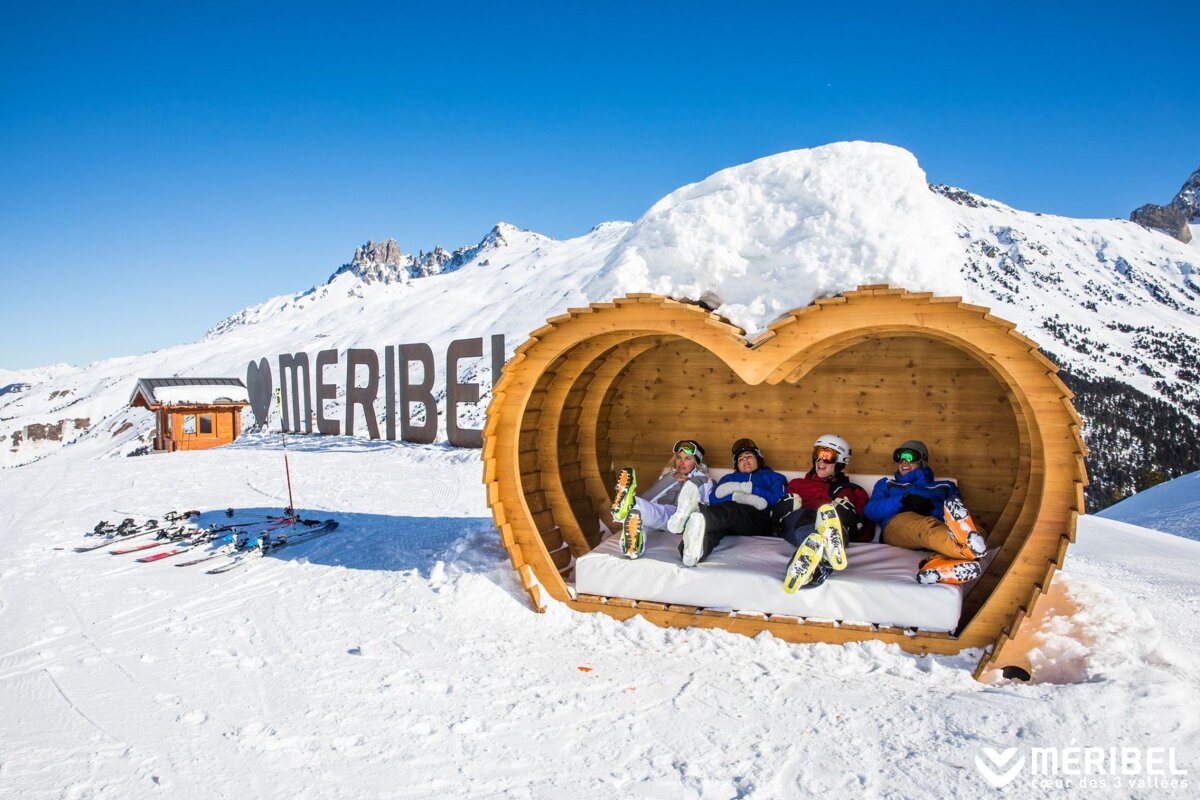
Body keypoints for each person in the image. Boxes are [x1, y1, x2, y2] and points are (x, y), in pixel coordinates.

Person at [863, 439, 988, 584]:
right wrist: (902, 500)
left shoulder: (945, 487)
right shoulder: (887, 484)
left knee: (978, 532)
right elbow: (870, 511)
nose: (903, 463)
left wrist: (930, 507)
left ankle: (936, 564)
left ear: (923, 460)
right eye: (899, 457)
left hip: (939, 526)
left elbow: (957, 516)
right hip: (898, 526)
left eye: (909, 457)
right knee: (926, 526)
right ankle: (966, 550)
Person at [772, 434, 876, 592]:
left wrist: (853, 520)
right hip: (800, 521)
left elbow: (867, 533)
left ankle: (806, 568)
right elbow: (775, 524)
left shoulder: (853, 491)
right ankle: (824, 546)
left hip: (836, 526)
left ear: (841, 462)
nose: (820, 460)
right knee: (808, 516)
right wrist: (779, 513)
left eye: (827, 456)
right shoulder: (797, 485)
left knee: (833, 519)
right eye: (817, 454)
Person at [669, 438, 787, 567]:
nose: (745, 460)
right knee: (709, 529)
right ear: (736, 464)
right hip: (731, 520)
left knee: (731, 510)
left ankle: (697, 517)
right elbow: (714, 499)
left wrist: (752, 489)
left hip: (759, 520)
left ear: (758, 459)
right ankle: (691, 554)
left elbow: (778, 499)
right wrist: (736, 496)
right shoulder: (728, 478)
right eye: (740, 459)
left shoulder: (774, 477)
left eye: (749, 456)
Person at [610, 440, 713, 559]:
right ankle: (633, 548)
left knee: (650, 511)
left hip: (677, 517)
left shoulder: (705, 481)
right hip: (658, 513)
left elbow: (704, 508)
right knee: (638, 517)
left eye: (688, 458)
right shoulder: (668, 477)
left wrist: (691, 481)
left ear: (697, 462)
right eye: (678, 457)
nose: (681, 462)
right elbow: (647, 498)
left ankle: (625, 508)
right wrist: (671, 479)